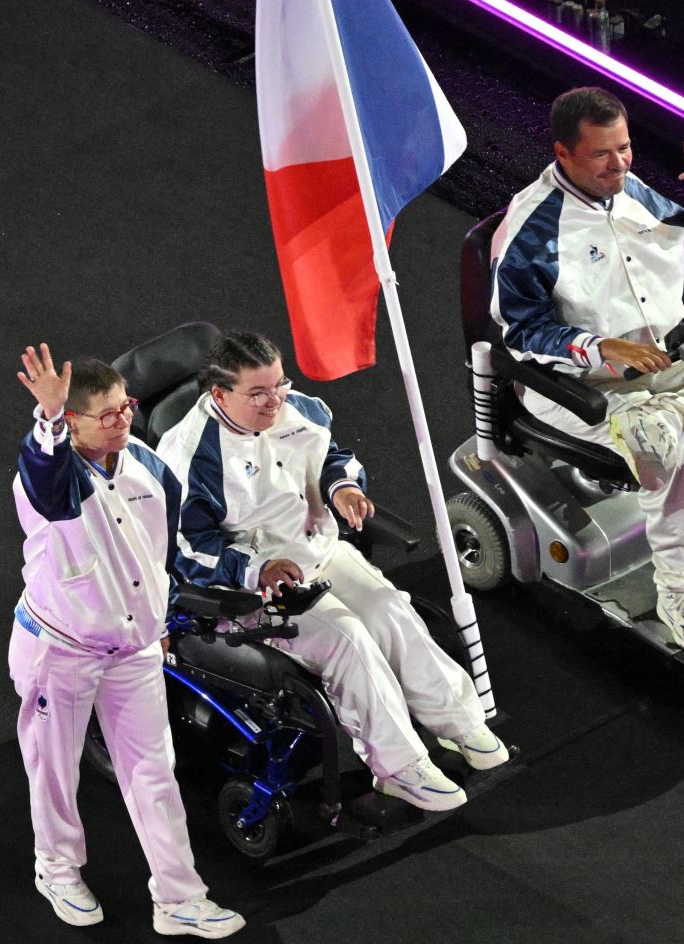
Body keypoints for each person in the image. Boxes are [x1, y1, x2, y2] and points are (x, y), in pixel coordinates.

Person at [155, 331, 508, 813]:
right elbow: (188, 549)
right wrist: (256, 568)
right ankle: (399, 768)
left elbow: (335, 458)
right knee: (349, 639)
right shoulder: (188, 456)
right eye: (258, 393)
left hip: (318, 549)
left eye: (278, 385)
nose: (273, 400)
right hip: (254, 586)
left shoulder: (299, 408)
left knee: (389, 611)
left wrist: (342, 488)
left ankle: (459, 722)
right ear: (219, 395)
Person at [489, 86, 684, 652]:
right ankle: (680, 590)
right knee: (660, 446)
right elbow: (519, 336)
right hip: (578, 386)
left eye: (625, 148)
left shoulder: (628, 189)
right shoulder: (530, 232)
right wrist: (602, 347)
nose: (619, 164)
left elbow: (683, 256)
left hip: (662, 362)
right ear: (563, 153)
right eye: (602, 154)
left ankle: (669, 417)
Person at [11, 344, 244, 938]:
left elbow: (159, 553)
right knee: (54, 767)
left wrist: (157, 623)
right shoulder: (53, 475)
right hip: (60, 648)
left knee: (153, 771)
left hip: (134, 650)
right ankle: (57, 868)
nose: (123, 420)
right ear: (73, 422)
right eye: (107, 414)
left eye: (126, 407)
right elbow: (46, 477)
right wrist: (49, 419)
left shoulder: (145, 463)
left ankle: (178, 898)